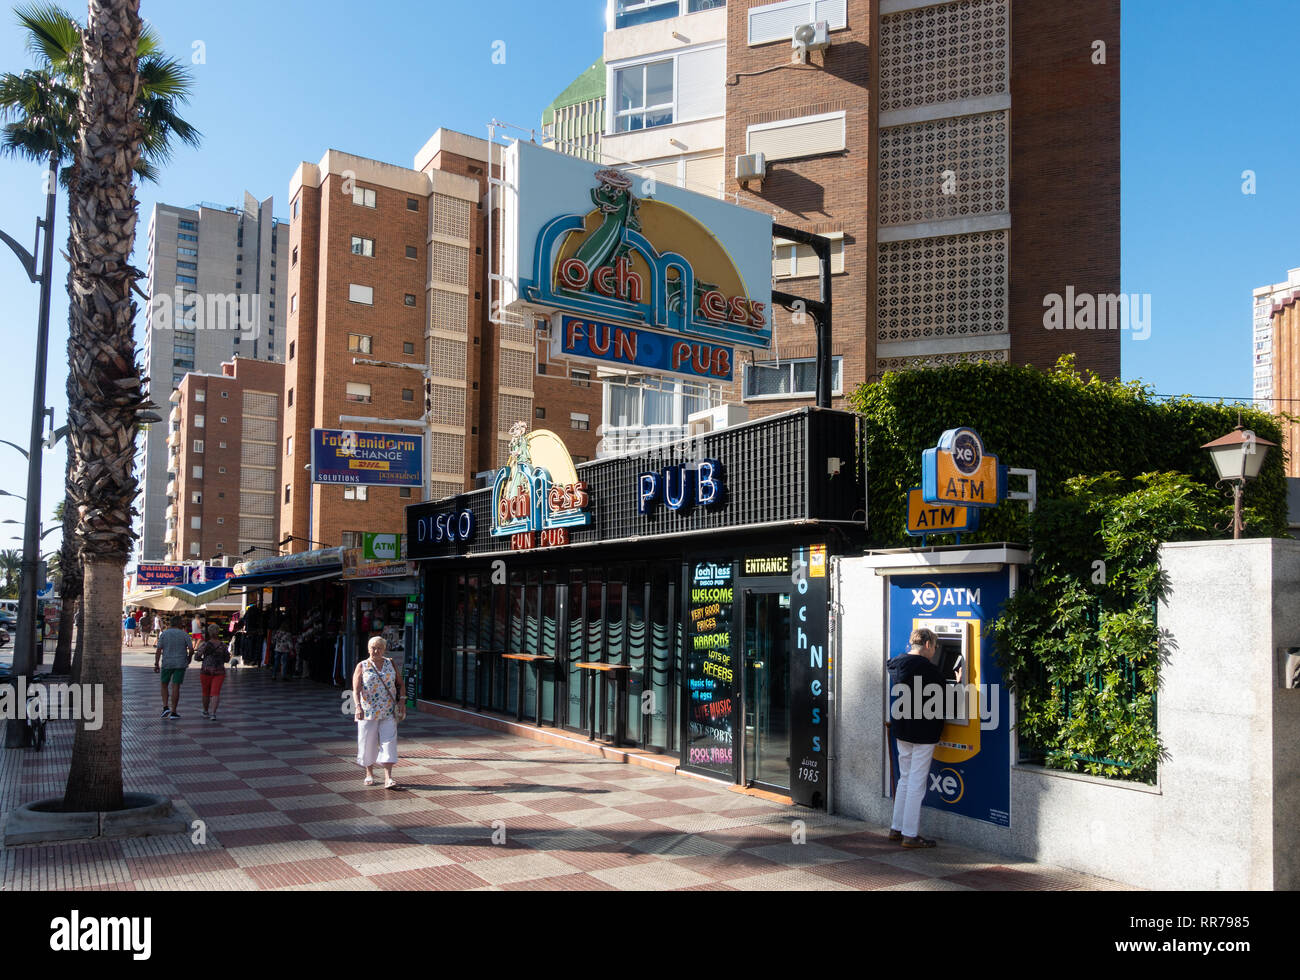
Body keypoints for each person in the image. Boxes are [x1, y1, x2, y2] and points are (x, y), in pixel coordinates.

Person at [886, 627, 951, 848]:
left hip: (902, 729)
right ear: (926, 645)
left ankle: (896, 828)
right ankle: (910, 835)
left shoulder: (897, 663)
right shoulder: (928, 669)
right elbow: (947, 695)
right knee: (916, 783)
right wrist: (958, 681)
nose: (935, 651)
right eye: (934, 646)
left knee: (905, 779)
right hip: (923, 731)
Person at [353, 635, 405, 789]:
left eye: (379, 648)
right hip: (368, 711)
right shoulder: (362, 666)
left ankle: (388, 777)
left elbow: (400, 684)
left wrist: (402, 701)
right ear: (368, 649)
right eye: (373, 648)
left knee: (389, 742)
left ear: (384, 649)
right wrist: (357, 707)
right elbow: (355, 691)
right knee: (367, 742)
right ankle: (369, 774)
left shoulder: (391, 663)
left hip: (388, 710)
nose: (376, 651)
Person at [154, 615, 195, 719]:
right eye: (182, 622)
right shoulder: (184, 634)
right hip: (180, 663)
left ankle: (165, 706)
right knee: (176, 686)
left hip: (167, 663)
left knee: (164, 684)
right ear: (178, 623)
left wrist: (156, 663)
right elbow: (191, 649)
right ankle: (174, 711)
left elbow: (159, 649)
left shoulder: (164, 634)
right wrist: (189, 658)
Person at [195, 623, 230, 720]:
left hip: (206, 670)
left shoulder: (205, 645)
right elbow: (227, 659)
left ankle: (205, 711)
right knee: (215, 692)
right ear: (218, 632)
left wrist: (203, 660)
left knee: (205, 692)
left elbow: (197, 657)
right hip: (219, 672)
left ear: (209, 633)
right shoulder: (223, 645)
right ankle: (213, 714)